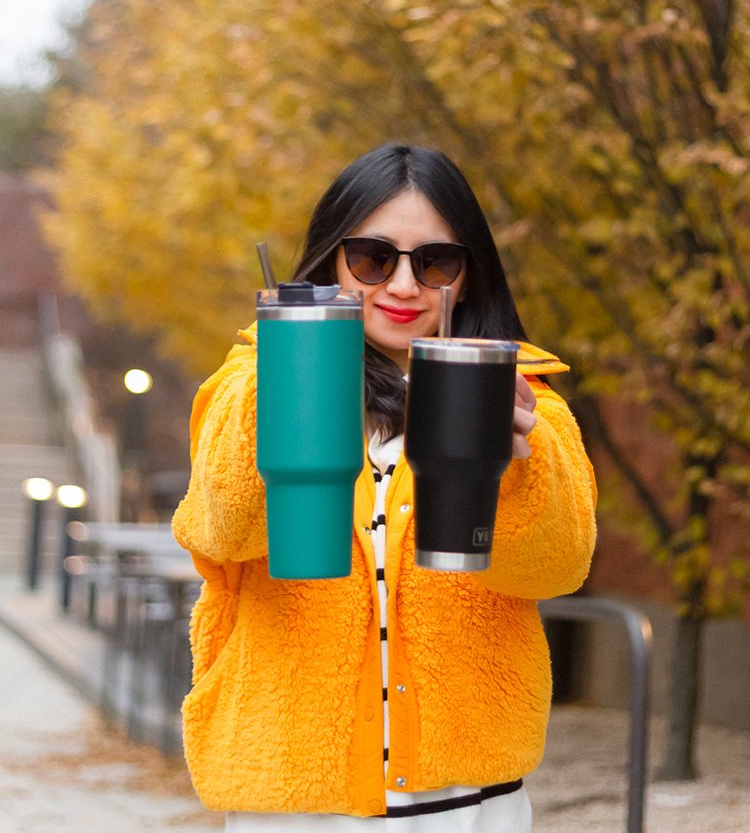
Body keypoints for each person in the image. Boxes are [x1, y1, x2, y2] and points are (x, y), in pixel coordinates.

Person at [172, 142, 597, 832]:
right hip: (298, 803)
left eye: (435, 261)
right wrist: (285, 364)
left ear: (470, 274)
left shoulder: (527, 401)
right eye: (372, 258)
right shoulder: (246, 386)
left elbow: (558, 564)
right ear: (330, 261)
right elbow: (223, 528)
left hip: (468, 803)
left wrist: (521, 464)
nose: (403, 286)